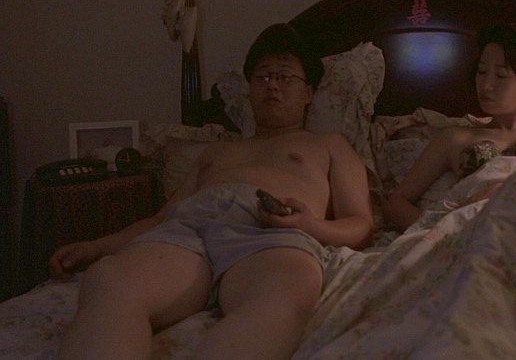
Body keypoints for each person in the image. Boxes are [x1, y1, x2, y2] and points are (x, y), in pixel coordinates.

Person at [50, 23, 374, 360]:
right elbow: (160, 219)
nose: (272, 85)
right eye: (262, 77)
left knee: (288, 287)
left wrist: (310, 226)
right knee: (109, 280)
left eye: (285, 76)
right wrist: (97, 247)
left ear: (308, 93)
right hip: (188, 229)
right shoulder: (216, 151)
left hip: (270, 231)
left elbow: (362, 225)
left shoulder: (329, 145)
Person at [382, 23, 516, 231]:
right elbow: (396, 205)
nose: (486, 85)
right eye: (482, 71)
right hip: (473, 234)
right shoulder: (455, 138)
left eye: (500, 75)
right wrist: (446, 227)